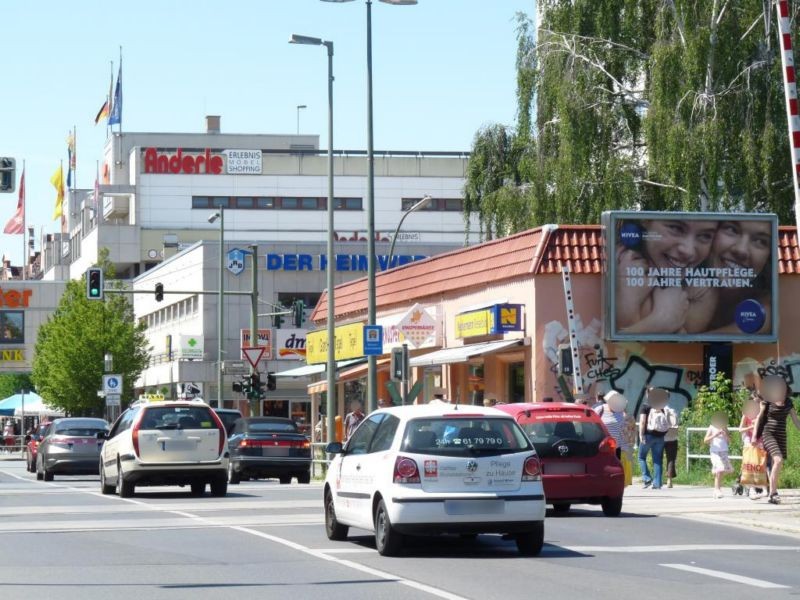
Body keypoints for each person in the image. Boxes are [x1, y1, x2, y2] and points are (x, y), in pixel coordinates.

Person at [616, 219, 718, 334]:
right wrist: (663, 320)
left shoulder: (702, 291)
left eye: (705, 236)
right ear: (645, 221)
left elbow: (681, 348)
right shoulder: (610, 264)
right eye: (676, 228)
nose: (689, 251)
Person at [754, 375, 800, 504]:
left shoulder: (789, 402)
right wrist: (754, 436)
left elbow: (796, 421)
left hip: (781, 436)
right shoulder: (768, 400)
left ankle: (771, 491)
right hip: (768, 433)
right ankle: (772, 493)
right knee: (778, 460)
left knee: (776, 464)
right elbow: (759, 417)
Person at [638, 387, 671, 489]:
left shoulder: (645, 406)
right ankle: (657, 483)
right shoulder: (661, 406)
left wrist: (641, 435)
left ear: (647, 394)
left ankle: (647, 478)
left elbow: (643, 422)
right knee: (657, 460)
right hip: (660, 436)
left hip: (648, 435)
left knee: (641, 457)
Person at [733, 396, 765, 499]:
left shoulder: (762, 414)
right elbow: (740, 429)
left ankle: (763, 488)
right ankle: (751, 489)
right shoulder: (746, 415)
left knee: (760, 465)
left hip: (760, 441)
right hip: (749, 442)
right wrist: (751, 427)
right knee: (751, 465)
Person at [597, 391, 634, 471]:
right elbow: (593, 422)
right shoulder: (601, 409)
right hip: (604, 446)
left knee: (615, 470)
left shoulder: (620, 411)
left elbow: (627, 428)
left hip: (617, 447)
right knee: (603, 468)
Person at [704, 411, 733, 499]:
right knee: (719, 469)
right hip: (715, 452)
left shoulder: (724, 427)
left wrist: (725, 435)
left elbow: (730, 441)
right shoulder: (711, 427)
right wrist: (714, 435)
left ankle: (717, 488)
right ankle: (717, 489)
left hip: (723, 451)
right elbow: (705, 440)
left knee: (723, 470)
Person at [663, 401, 679, 488]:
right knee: (671, 459)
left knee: (658, 458)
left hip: (660, 437)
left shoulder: (657, 410)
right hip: (672, 437)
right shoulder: (673, 410)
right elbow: (677, 424)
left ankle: (657, 479)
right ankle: (669, 480)